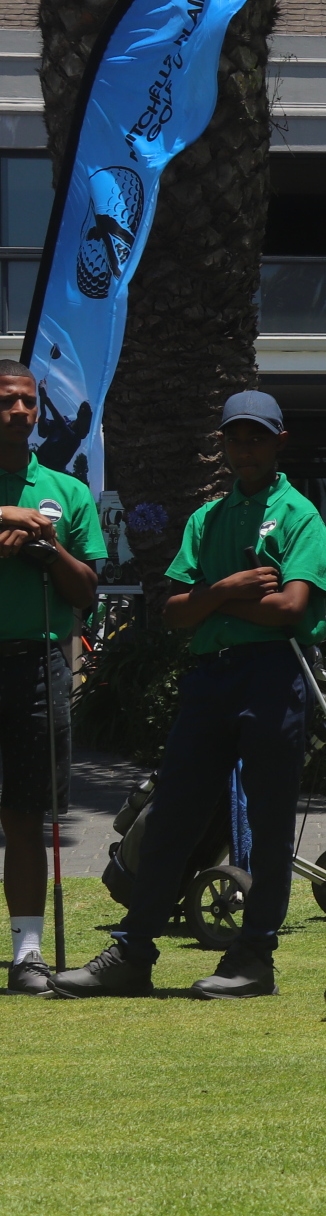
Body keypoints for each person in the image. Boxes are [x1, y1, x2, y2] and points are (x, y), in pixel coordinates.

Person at [53, 392, 326, 999]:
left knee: (270, 824)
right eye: (235, 438)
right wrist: (230, 588)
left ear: (280, 441)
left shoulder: (299, 514)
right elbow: (173, 613)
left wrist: (209, 600)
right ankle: (133, 955)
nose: (245, 448)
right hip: (211, 678)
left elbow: (290, 607)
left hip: (274, 675)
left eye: (257, 437)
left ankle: (254, 959)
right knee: (172, 815)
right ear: (222, 444)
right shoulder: (206, 519)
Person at [0, 361, 101, 994]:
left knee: (24, 815)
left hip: (38, 664)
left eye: (28, 402)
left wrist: (49, 550)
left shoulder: (66, 492)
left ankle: (27, 954)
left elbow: (86, 590)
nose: (19, 411)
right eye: (6, 401)